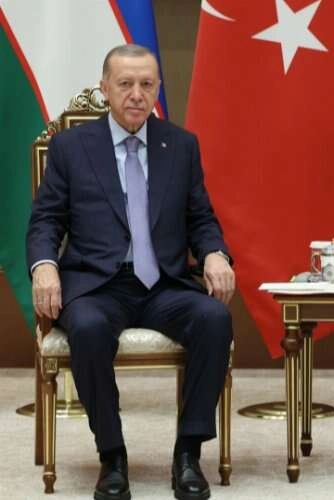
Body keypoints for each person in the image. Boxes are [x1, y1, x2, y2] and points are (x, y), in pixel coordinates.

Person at [26, 44, 235, 500]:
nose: (136, 94)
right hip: (97, 285)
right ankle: (112, 456)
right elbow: (45, 221)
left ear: (158, 88)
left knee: (214, 319)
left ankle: (188, 453)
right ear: (105, 88)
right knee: (88, 328)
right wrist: (44, 267)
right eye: (125, 84)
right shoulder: (70, 148)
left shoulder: (181, 145)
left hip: (164, 284)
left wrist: (215, 254)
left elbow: (201, 218)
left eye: (146, 84)